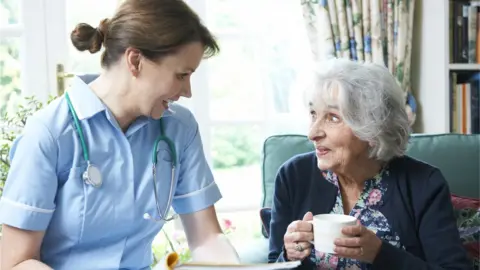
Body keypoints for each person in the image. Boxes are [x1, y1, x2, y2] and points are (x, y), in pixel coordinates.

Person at [0, 0, 240, 269]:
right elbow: (17, 262)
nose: (187, 91)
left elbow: (206, 238)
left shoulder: (179, 128)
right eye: (181, 75)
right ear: (135, 60)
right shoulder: (49, 134)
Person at [268, 59, 473, 269]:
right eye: (313, 114)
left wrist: (380, 253)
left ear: (373, 128)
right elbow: (272, 263)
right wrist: (288, 254)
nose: (313, 133)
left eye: (333, 118)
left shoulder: (424, 185)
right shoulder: (293, 176)